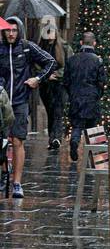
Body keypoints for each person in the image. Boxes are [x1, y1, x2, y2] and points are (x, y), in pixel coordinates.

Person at [0, 17, 56, 198]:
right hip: (1, 103)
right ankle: (3, 173)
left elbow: (50, 62)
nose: (11, 33)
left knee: (17, 141)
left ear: (20, 31)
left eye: (14, 30)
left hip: (19, 101)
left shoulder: (27, 47)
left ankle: (16, 182)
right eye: (8, 30)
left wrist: (37, 79)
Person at [62, 31, 105, 165]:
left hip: (76, 97)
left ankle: (74, 141)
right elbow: (102, 82)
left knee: (76, 126)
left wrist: (72, 94)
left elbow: (66, 81)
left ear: (81, 43)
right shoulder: (97, 60)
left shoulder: (71, 60)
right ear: (94, 43)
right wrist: (98, 94)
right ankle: (90, 156)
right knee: (91, 129)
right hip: (91, 98)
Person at [36, 18, 68, 150]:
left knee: (58, 111)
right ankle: (52, 138)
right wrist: (46, 75)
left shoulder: (64, 47)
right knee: (50, 112)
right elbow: (36, 65)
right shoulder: (40, 48)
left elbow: (68, 66)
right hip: (46, 85)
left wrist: (58, 75)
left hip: (59, 85)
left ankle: (56, 138)